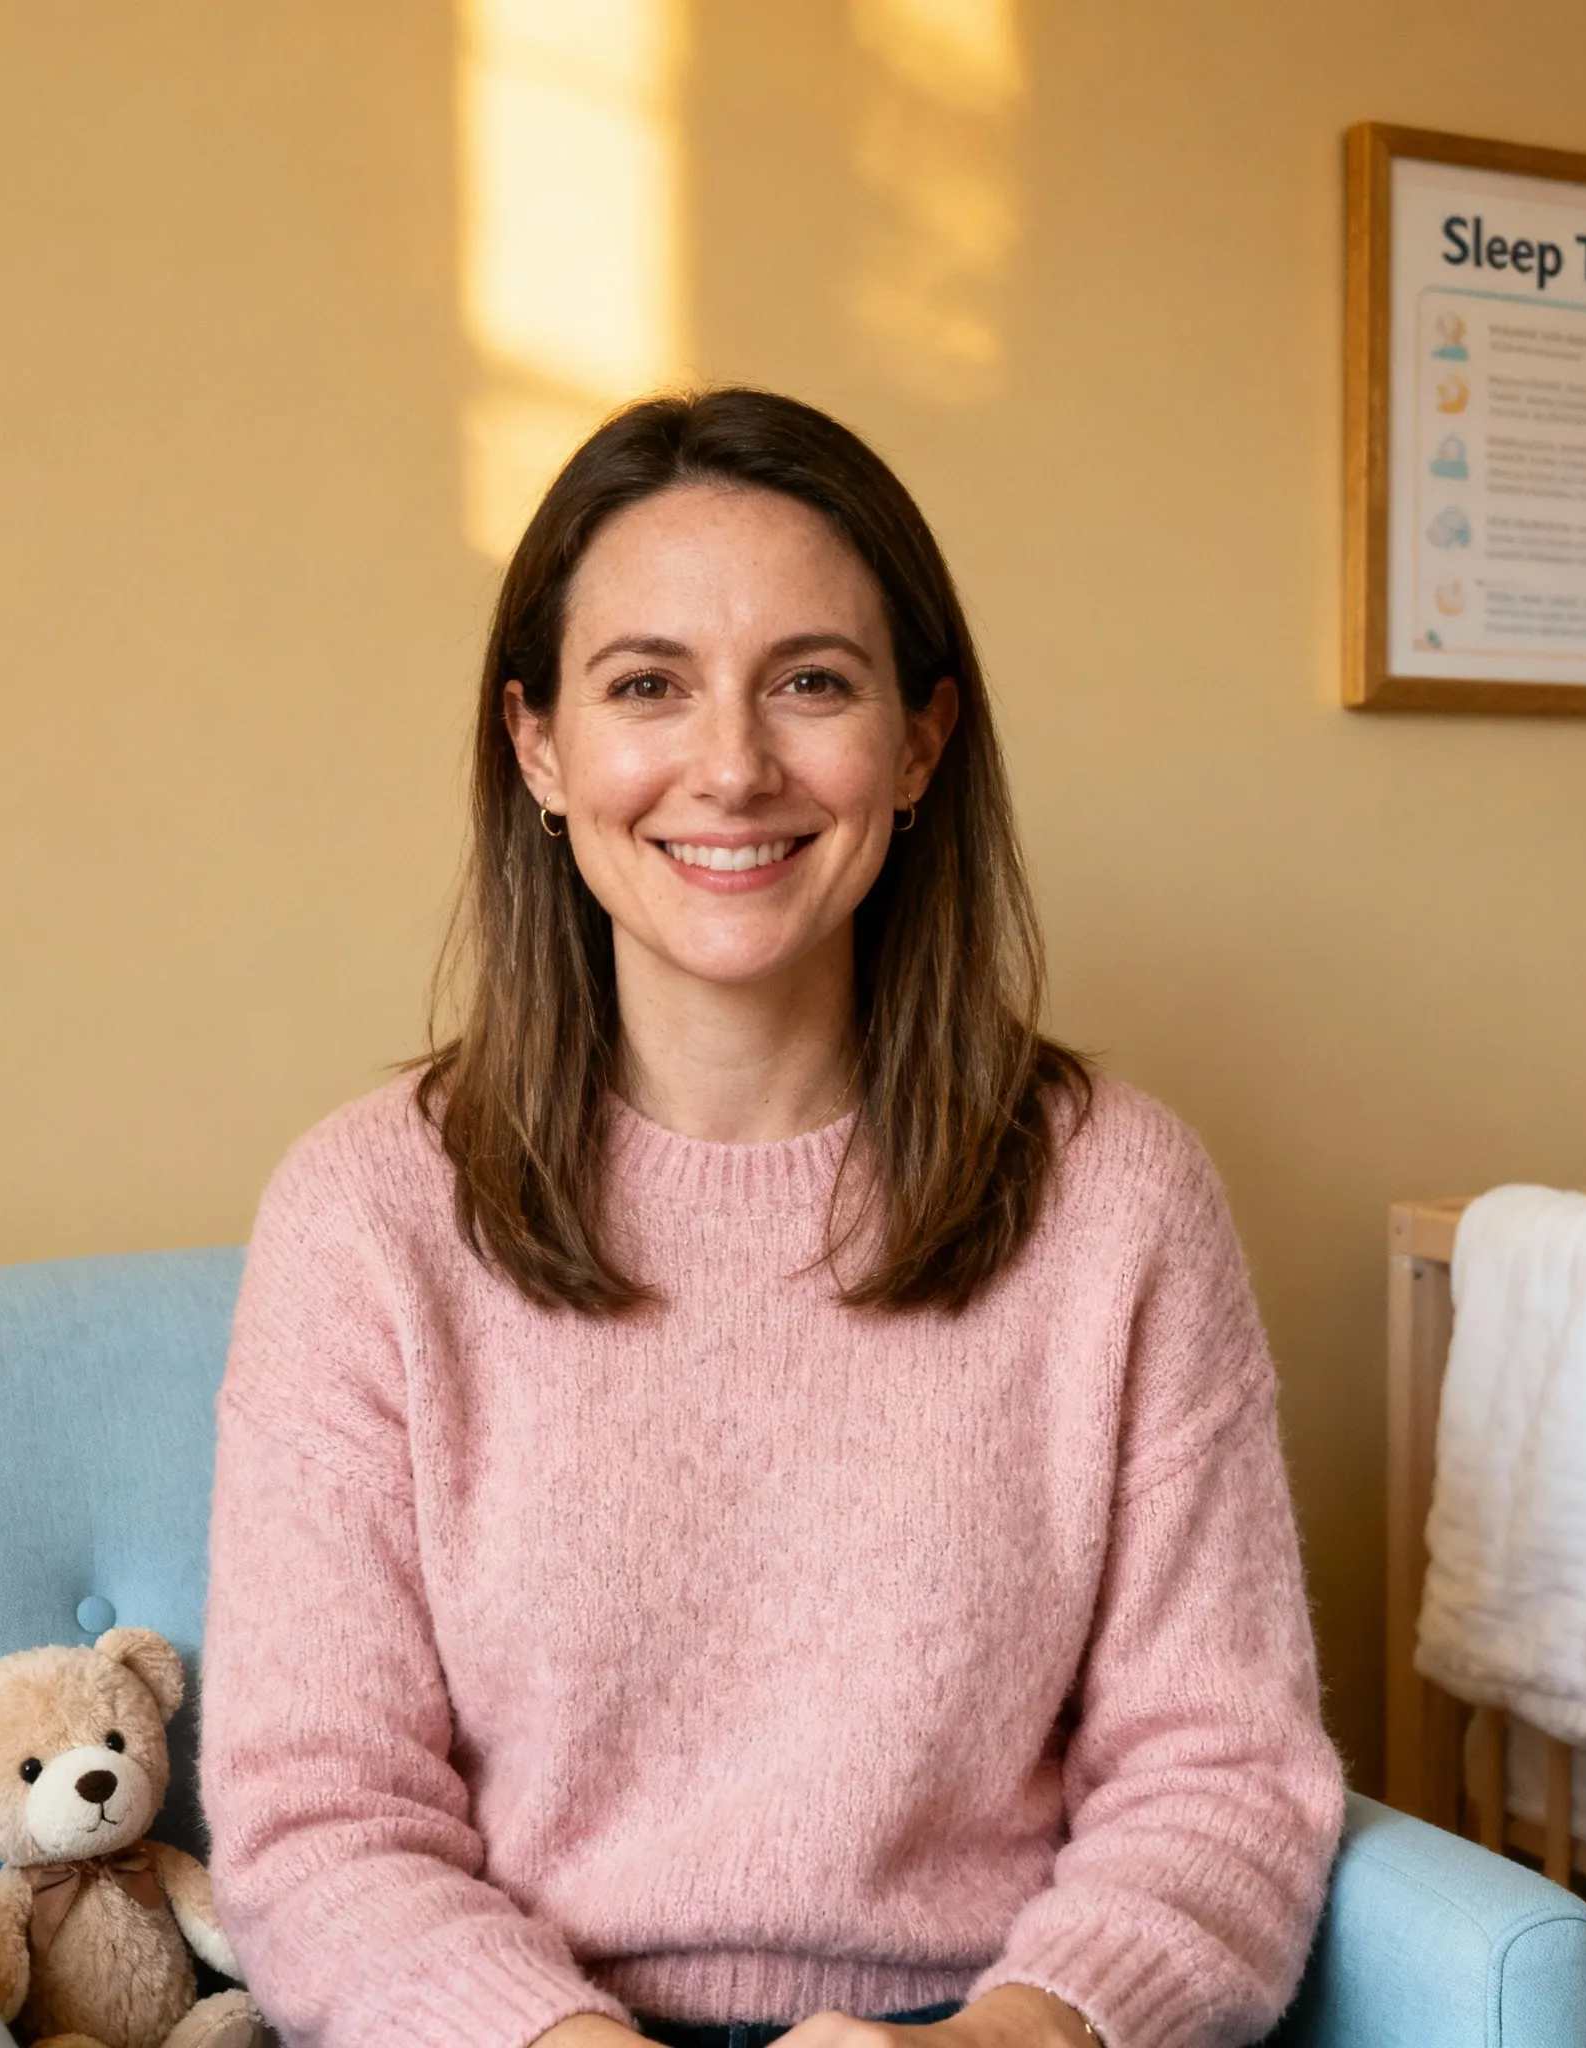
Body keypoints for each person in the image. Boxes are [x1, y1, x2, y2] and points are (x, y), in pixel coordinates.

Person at [198, 388, 1344, 2048]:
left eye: (811, 682)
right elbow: (319, 1822)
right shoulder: (363, 1217)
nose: (732, 769)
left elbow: (1222, 1773)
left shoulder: (1122, 1198)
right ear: (538, 747)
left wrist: (1006, 2042)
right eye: (646, 685)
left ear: (922, 742)